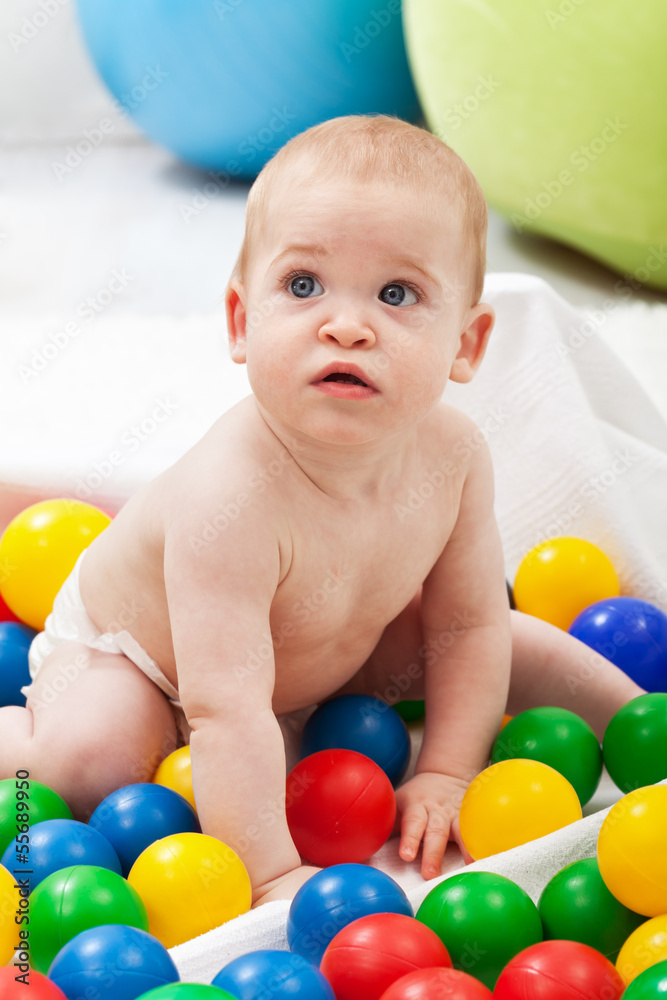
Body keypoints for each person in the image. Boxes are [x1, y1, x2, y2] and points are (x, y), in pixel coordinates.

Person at [0, 115, 644, 906]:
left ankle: (644, 725)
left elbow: (467, 627)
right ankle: (18, 742)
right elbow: (224, 708)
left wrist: (447, 769)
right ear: (242, 322)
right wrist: (270, 872)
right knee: (95, 758)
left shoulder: (454, 456)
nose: (346, 324)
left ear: (466, 346)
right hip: (147, 659)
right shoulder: (230, 497)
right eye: (302, 286)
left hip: (327, 642)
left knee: (507, 639)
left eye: (397, 294)